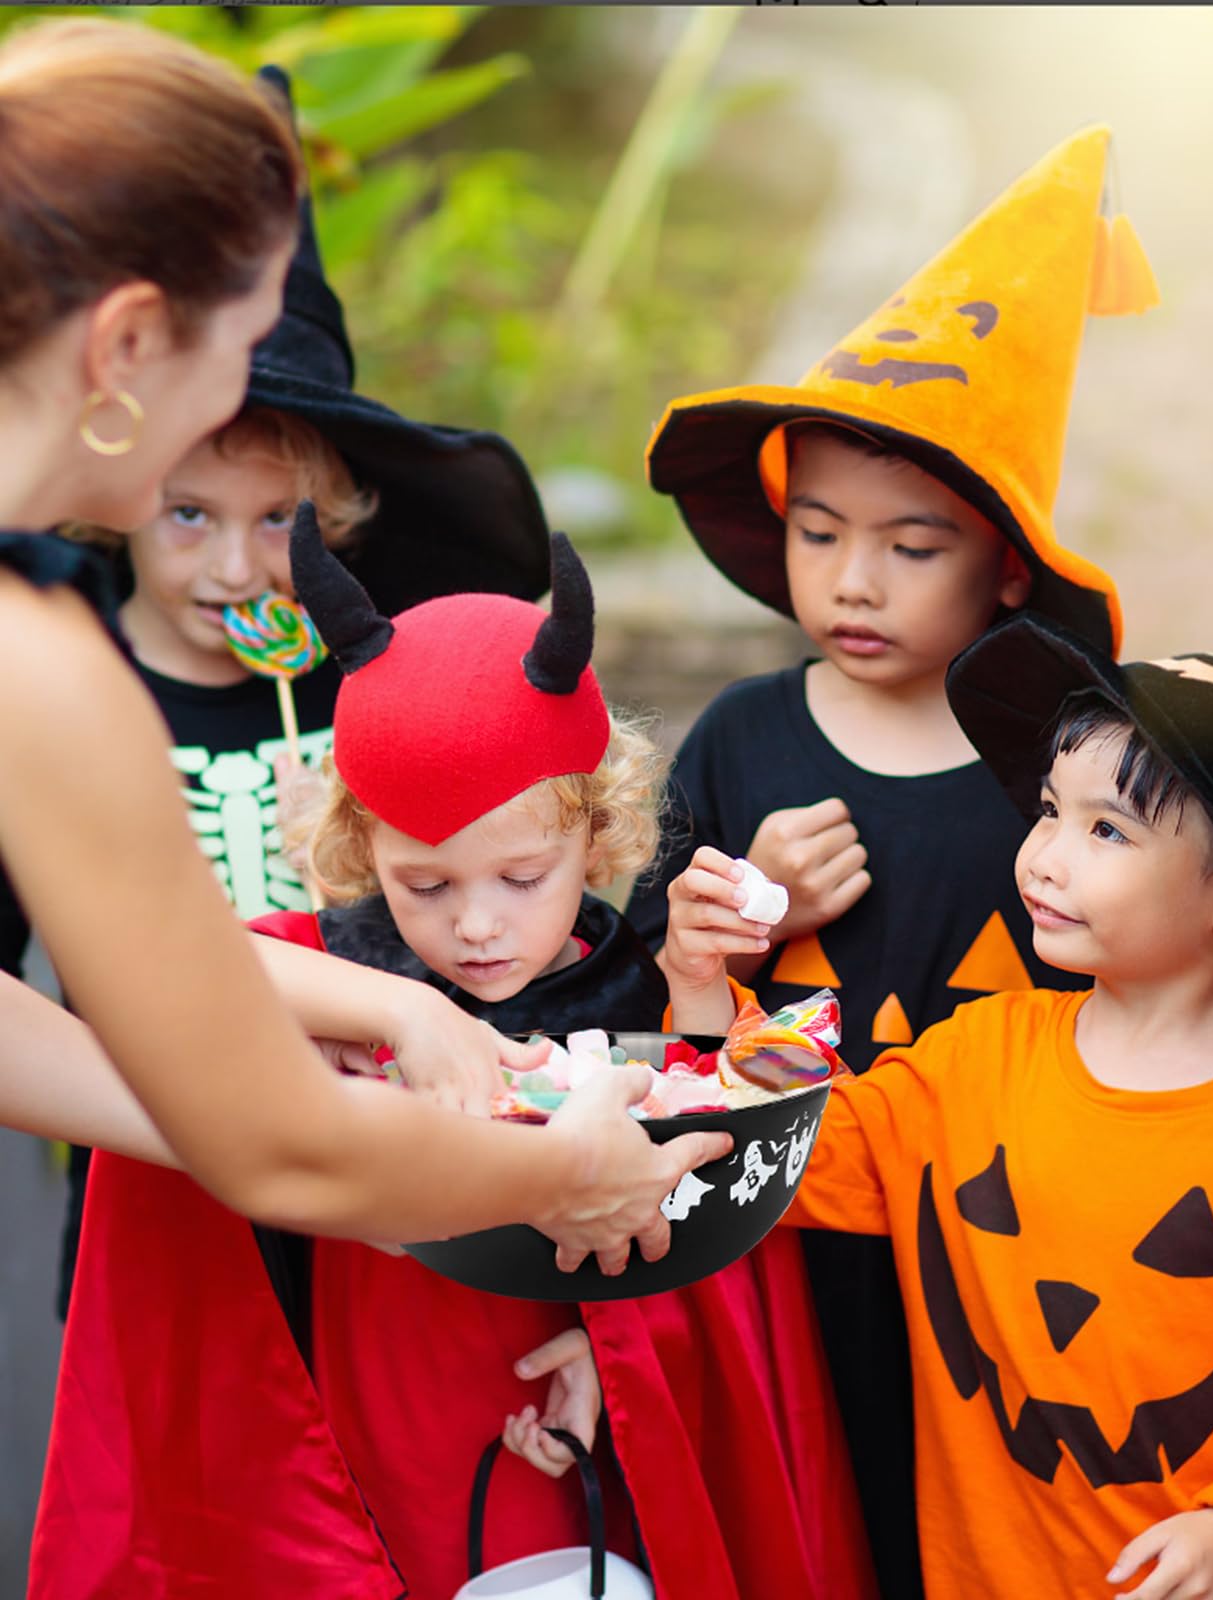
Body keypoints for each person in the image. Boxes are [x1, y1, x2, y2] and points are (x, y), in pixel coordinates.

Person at [31, 513, 876, 1600]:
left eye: (521, 878)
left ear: (598, 832)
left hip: (557, 1398)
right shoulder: (333, 969)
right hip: (372, 1378)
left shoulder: (631, 984)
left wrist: (620, 1366)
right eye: (424, 885)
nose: (476, 926)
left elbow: (703, 1179)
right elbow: (171, 968)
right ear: (360, 844)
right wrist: (397, 1007)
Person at [0, 15, 721, 1256]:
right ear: (124, 346)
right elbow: (274, 1142)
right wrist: (551, 1168)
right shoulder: (46, 664)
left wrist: (241, 1101)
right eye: (234, 353)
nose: (234, 403)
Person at [630, 123, 1158, 1596]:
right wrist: (726, 928)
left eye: (910, 546)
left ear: (1005, 559)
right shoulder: (741, 741)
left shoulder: (1063, 768)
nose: (852, 580)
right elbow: (647, 994)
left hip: (994, 1262)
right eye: (817, 532)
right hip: (782, 1241)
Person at [671, 615, 1213, 1600]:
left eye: (1104, 829)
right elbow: (781, 1159)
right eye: (1047, 809)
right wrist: (707, 994)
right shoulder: (970, 1058)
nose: (1043, 854)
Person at [45, 63, 556, 1316]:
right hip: (160, 1173)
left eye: (280, 519)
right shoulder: (63, 680)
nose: (234, 564)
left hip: (384, 1151)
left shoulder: (367, 684)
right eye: (187, 511)